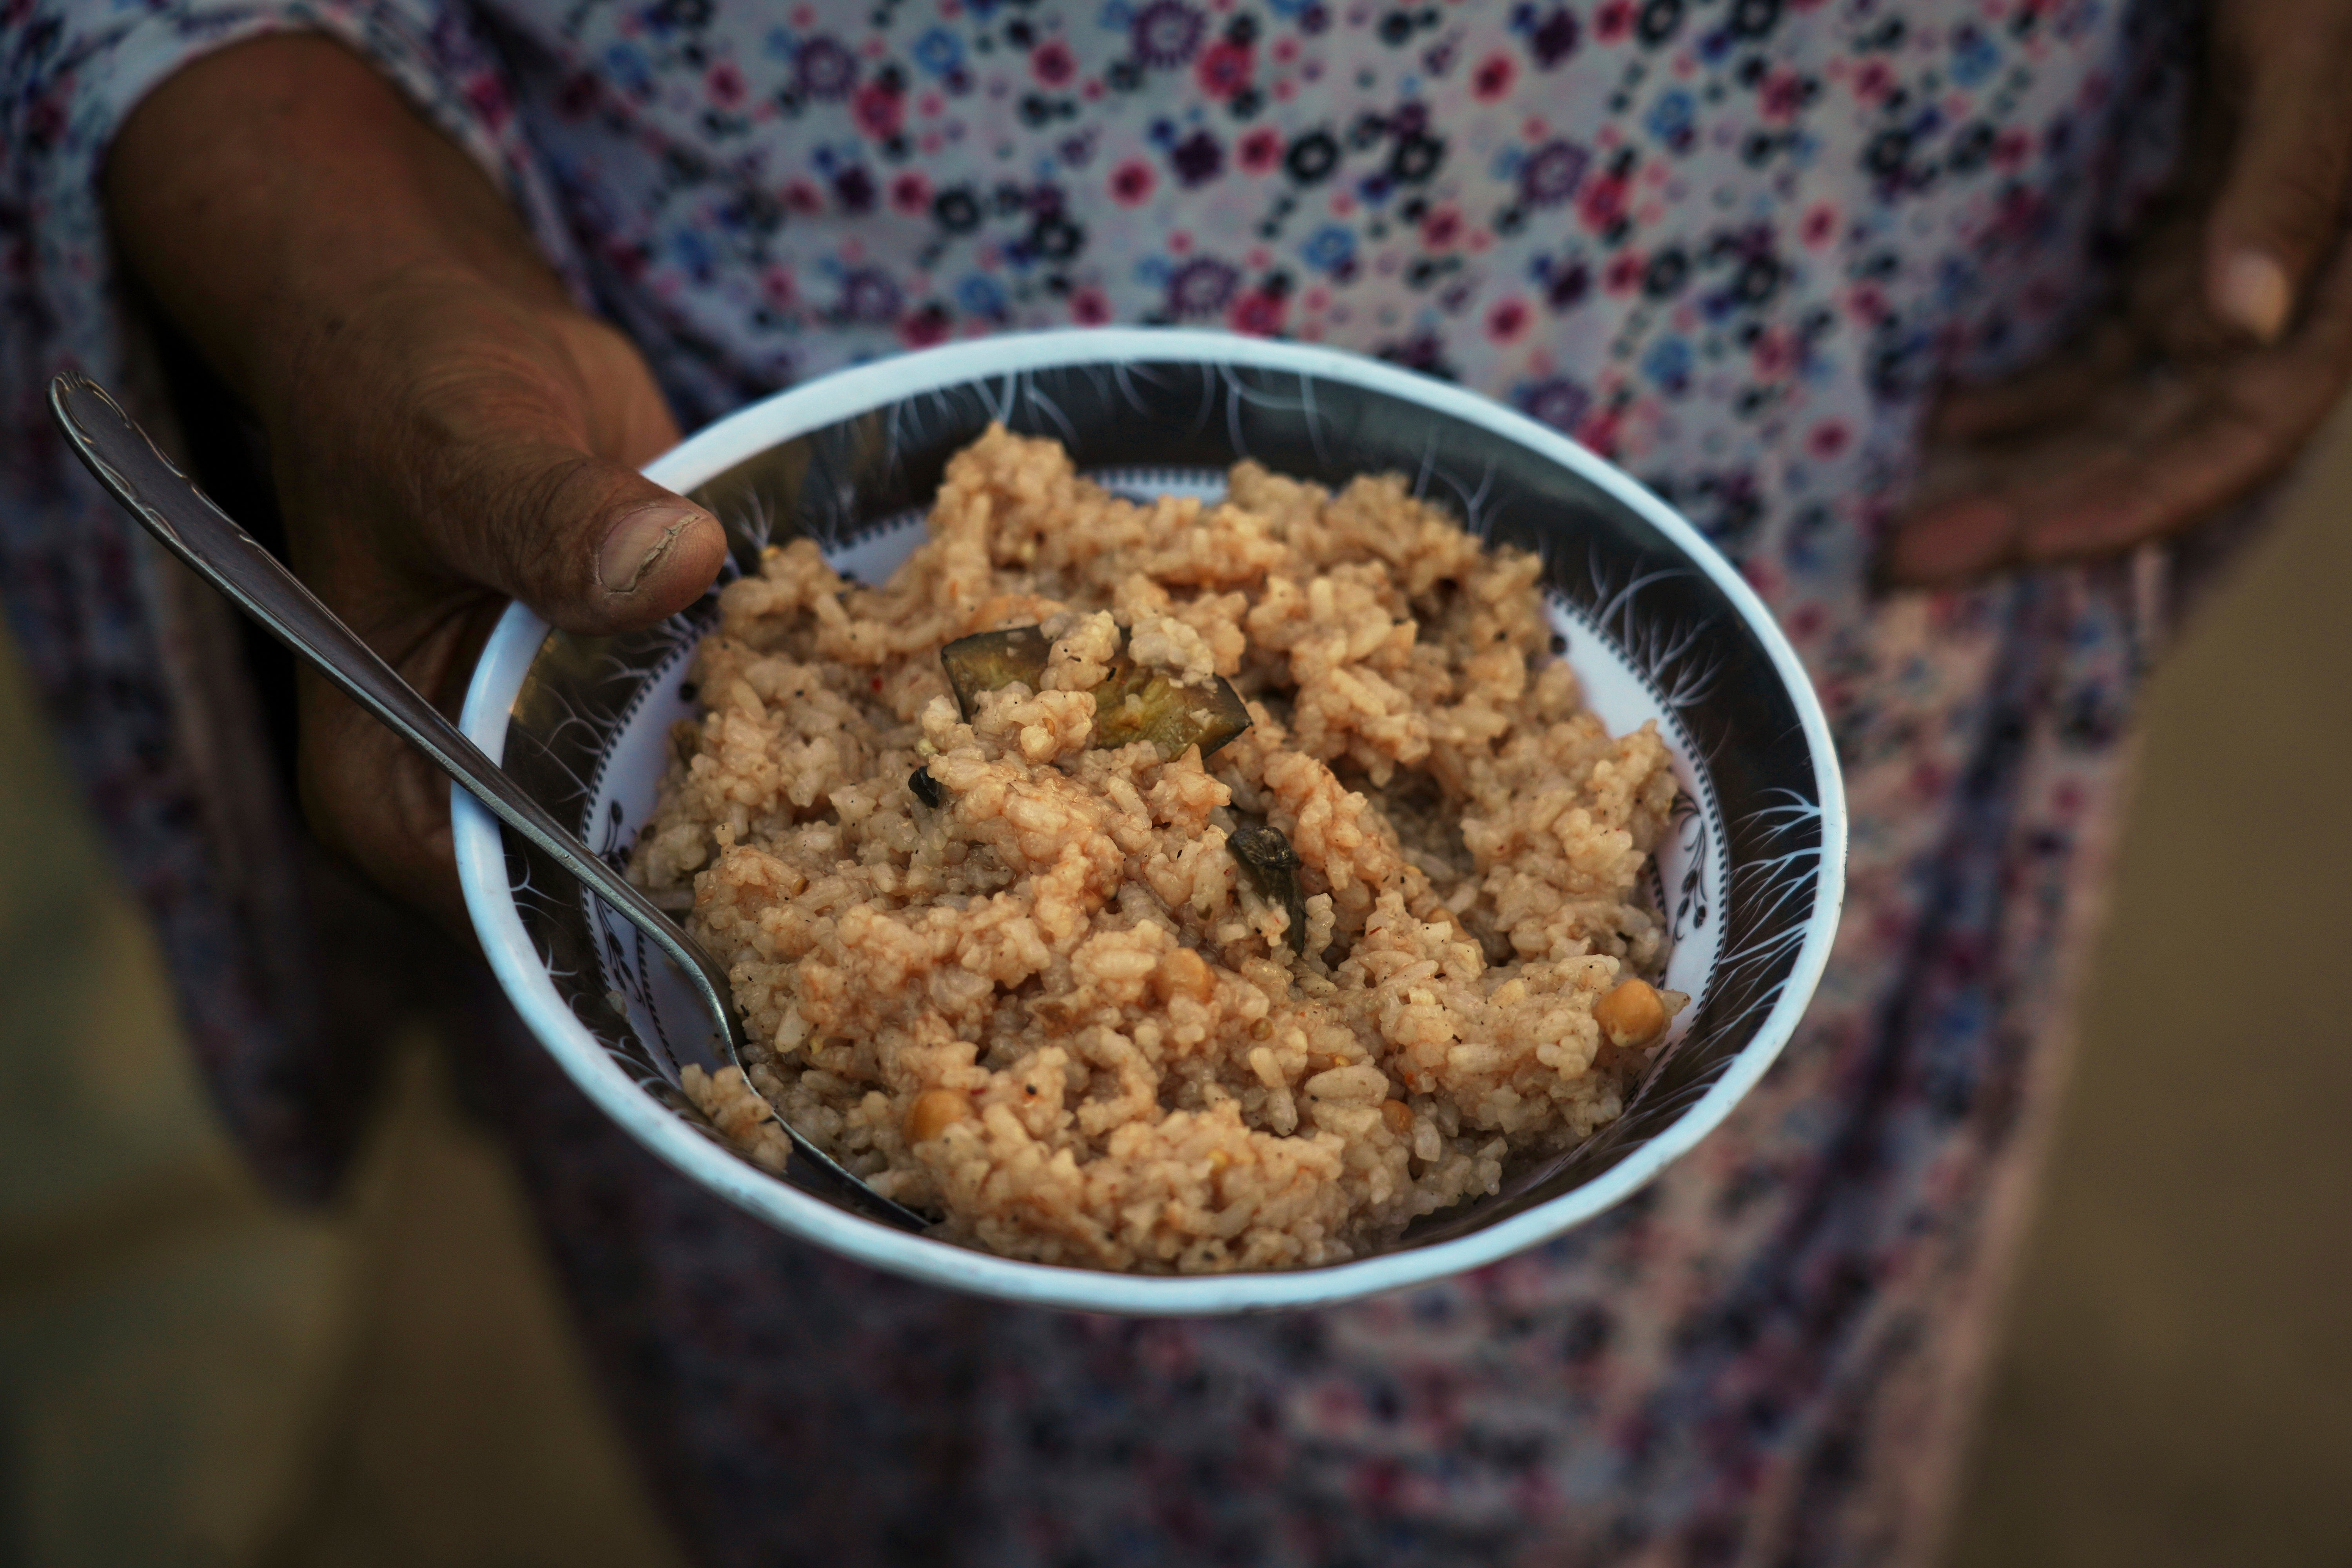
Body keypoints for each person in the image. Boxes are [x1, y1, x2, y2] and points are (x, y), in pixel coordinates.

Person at [4, 0, 2347, 1559]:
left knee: (1618, 1431)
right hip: (702, 378)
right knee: (838, 1424)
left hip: (1827, 313)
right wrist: (332, 256)